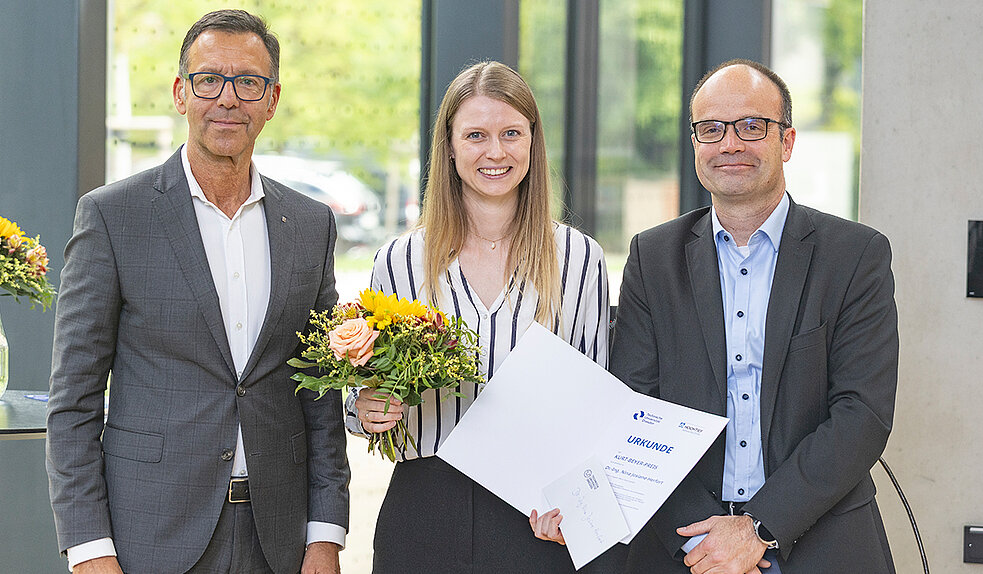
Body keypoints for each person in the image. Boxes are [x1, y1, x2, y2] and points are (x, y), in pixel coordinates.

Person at [46, 10, 350, 574]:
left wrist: (325, 534)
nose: (228, 98)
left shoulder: (310, 226)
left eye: (248, 82)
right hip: (149, 541)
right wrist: (89, 551)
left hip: (279, 542)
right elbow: (74, 402)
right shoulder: (113, 217)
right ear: (181, 93)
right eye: (209, 79)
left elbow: (321, 396)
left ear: (272, 98)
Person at [610, 59, 898, 574]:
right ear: (695, 145)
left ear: (786, 142)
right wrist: (710, 540)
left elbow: (862, 414)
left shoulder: (855, 256)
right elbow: (635, 406)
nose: (730, 144)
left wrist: (757, 529)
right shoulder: (653, 258)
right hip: (683, 545)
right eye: (711, 129)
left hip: (819, 539)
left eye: (750, 126)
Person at [345, 61, 613, 573]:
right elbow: (360, 400)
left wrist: (576, 504)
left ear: (533, 142)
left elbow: (594, 407)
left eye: (511, 133)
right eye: (476, 135)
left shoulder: (578, 258)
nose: (496, 152)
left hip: (537, 518)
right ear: (449, 146)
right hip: (424, 510)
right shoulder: (399, 261)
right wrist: (366, 409)